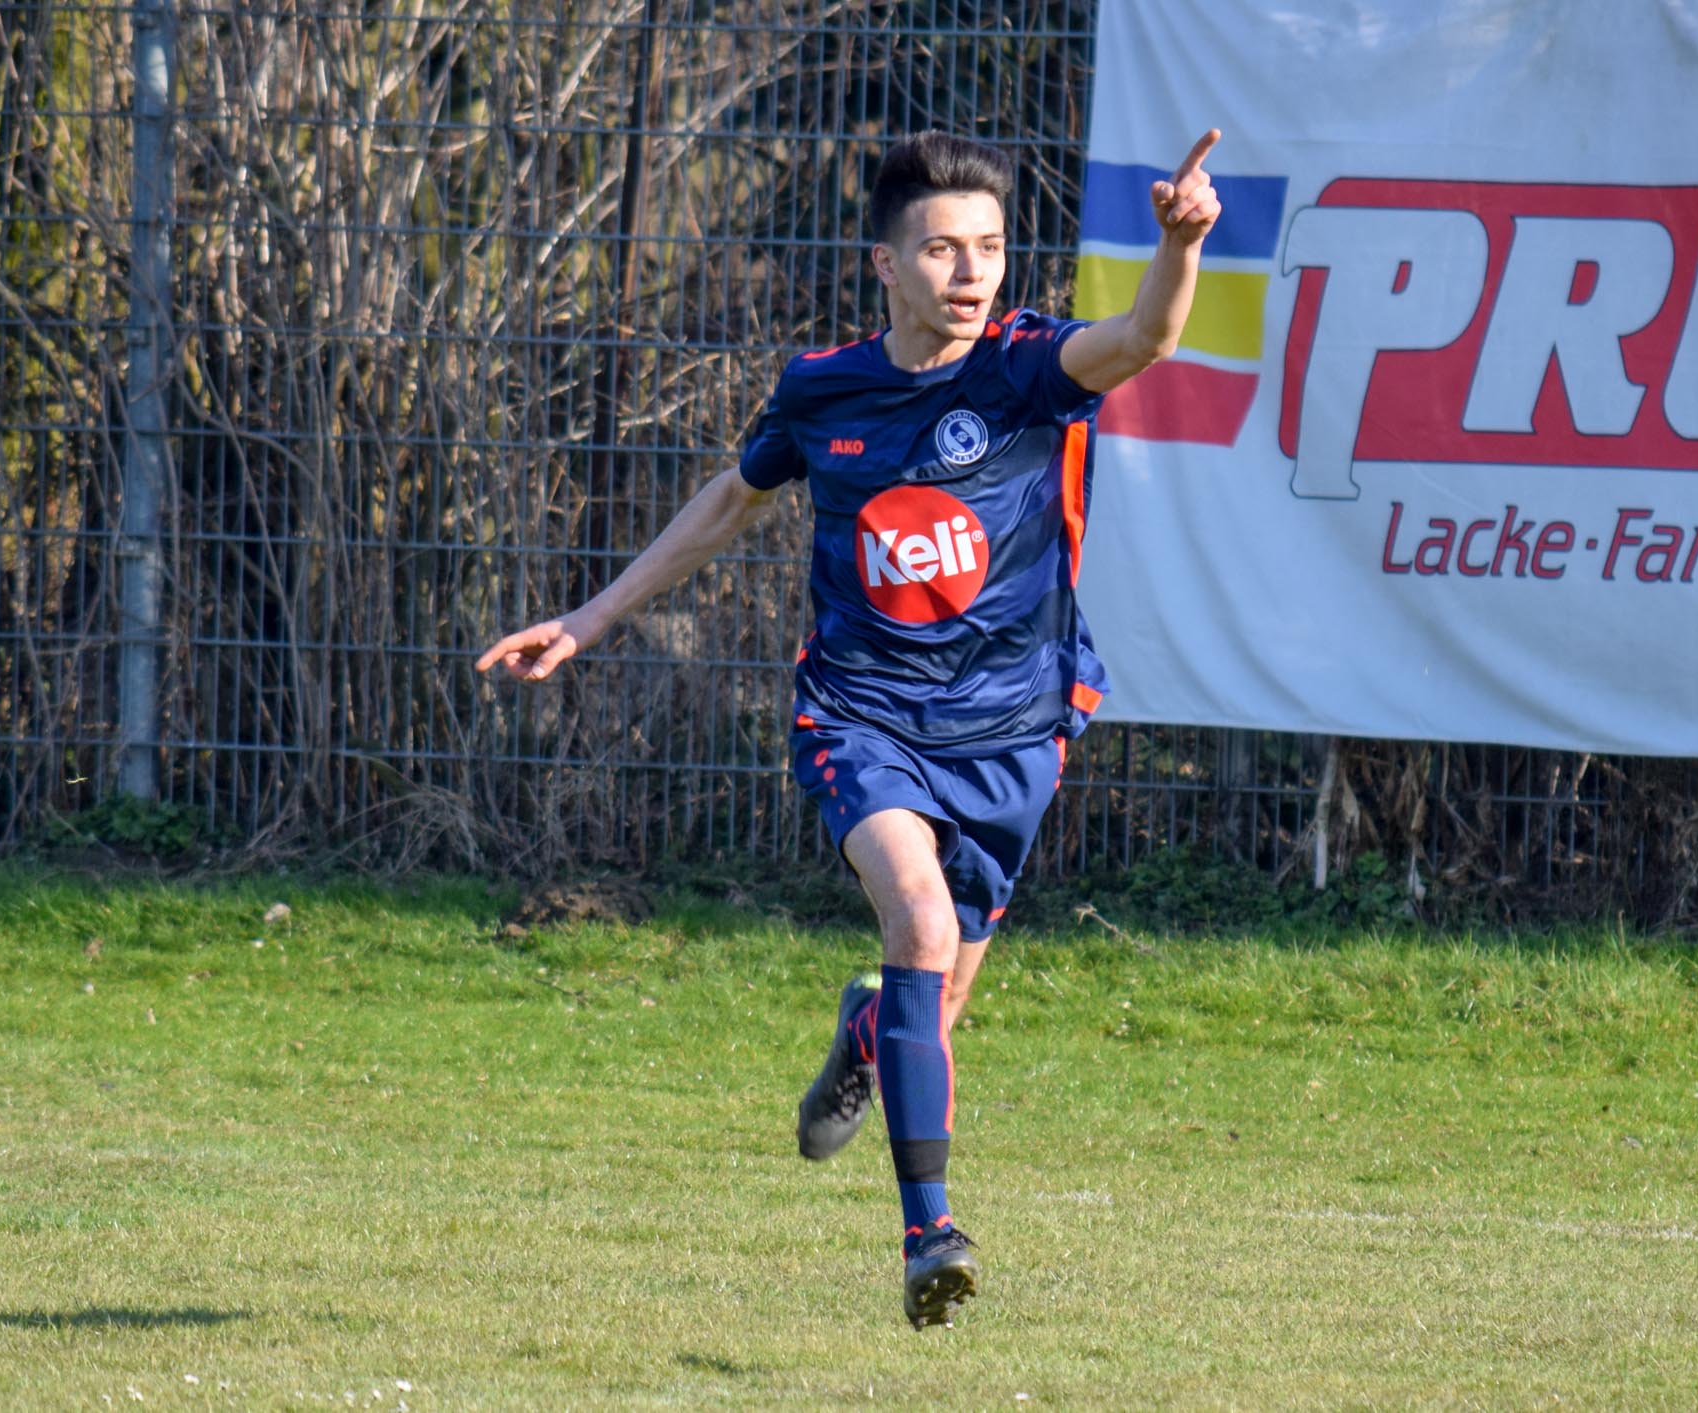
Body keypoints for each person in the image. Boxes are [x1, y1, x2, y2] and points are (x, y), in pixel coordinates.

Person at [476, 127, 1222, 1328]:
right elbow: (732, 500)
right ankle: (931, 1235)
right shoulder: (822, 390)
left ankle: (868, 1027)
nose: (970, 272)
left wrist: (1179, 246)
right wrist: (589, 616)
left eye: (988, 248)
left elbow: (1144, 338)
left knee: (934, 1003)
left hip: (1014, 731)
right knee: (916, 925)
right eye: (941, 249)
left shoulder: (1027, 369)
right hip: (861, 717)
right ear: (885, 264)